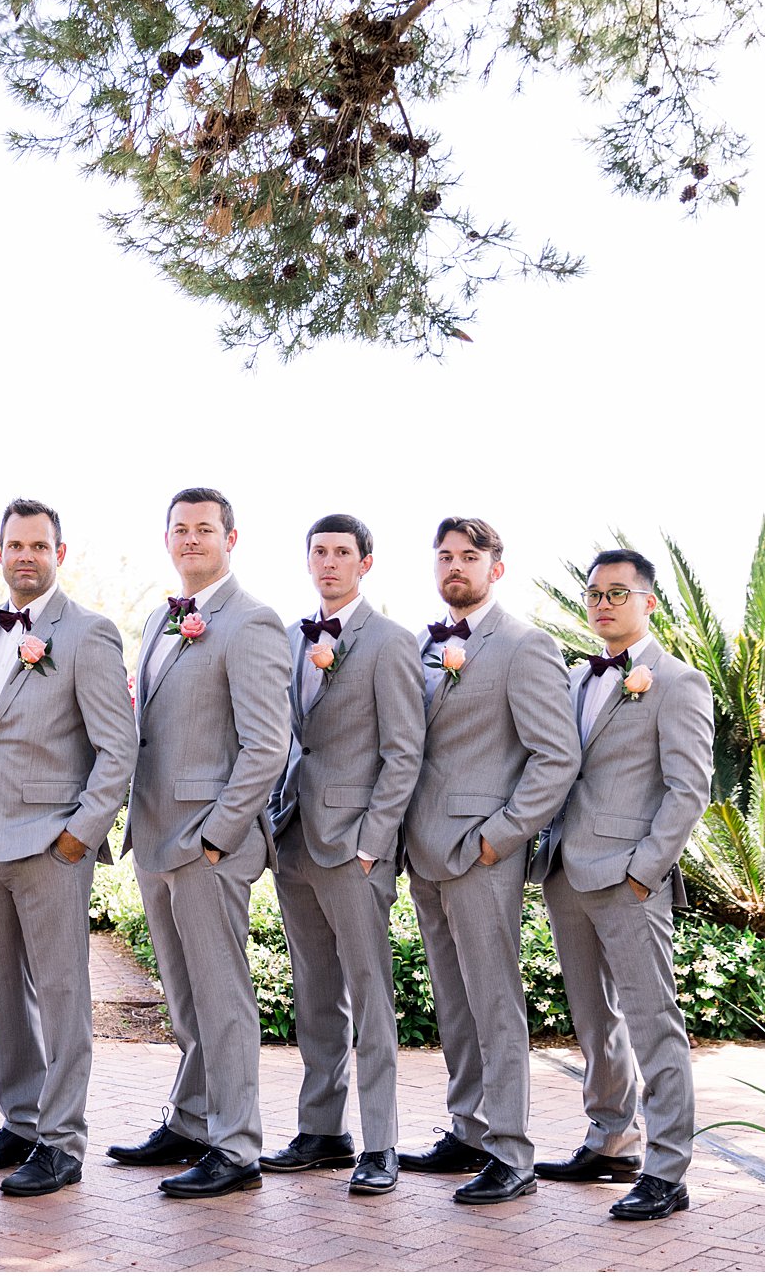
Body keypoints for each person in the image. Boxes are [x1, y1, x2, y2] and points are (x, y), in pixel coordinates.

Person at [0, 499, 135, 1197]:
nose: (25, 555)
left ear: (61, 552)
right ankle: (21, 1121)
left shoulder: (87, 633)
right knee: (5, 990)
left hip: (51, 843)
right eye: (14, 544)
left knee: (61, 992)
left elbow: (118, 749)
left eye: (38, 544)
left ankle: (62, 1140)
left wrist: (77, 834)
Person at [107, 488, 289, 1199]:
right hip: (154, 835)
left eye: (204, 528)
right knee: (184, 1000)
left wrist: (218, 835)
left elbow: (267, 745)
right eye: (180, 528)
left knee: (223, 998)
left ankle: (238, 1146)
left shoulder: (252, 621)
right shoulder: (160, 618)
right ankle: (190, 1120)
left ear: (231, 538)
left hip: (209, 841)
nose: (190, 539)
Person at [400, 517, 580, 1205]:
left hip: (481, 852)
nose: (455, 566)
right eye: (444, 555)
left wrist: (500, 835)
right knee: (454, 998)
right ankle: (469, 1129)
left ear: (495, 568)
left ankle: (512, 1151)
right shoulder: (423, 643)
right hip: (424, 850)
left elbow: (556, 756)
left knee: (494, 999)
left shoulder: (525, 646)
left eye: (468, 556)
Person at [529, 549, 713, 1221]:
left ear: (648, 601)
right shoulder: (578, 677)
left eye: (618, 592)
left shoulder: (678, 682)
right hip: (566, 872)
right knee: (593, 1016)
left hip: (629, 878)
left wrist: (644, 870)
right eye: (594, 593)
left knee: (652, 1021)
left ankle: (667, 1170)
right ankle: (611, 1138)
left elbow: (688, 789)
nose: (603, 603)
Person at [263, 514, 423, 1196]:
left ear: (365, 562)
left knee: (370, 994)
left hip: (355, 847)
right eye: (319, 552)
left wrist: (371, 842)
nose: (329, 563)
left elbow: (404, 751)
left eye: (341, 553)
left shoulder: (389, 642)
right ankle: (323, 1129)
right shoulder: (295, 639)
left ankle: (382, 1141)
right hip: (295, 840)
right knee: (315, 994)